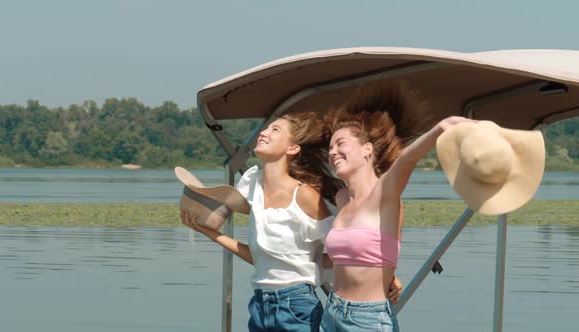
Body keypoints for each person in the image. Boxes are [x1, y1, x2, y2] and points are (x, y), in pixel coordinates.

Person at [181, 112, 403, 332]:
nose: (264, 133)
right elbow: (262, 260)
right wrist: (208, 232)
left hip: (297, 306)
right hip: (259, 305)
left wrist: (385, 275)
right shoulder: (253, 187)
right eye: (266, 128)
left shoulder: (306, 196)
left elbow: (345, 247)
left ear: (292, 148)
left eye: (274, 130)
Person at [321, 82, 476, 331]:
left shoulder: (384, 193)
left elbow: (407, 159)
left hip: (367, 320)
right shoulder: (341, 198)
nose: (332, 152)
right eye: (330, 147)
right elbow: (359, 254)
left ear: (367, 149)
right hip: (332, 312)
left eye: (340, 144)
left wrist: (440, 128)